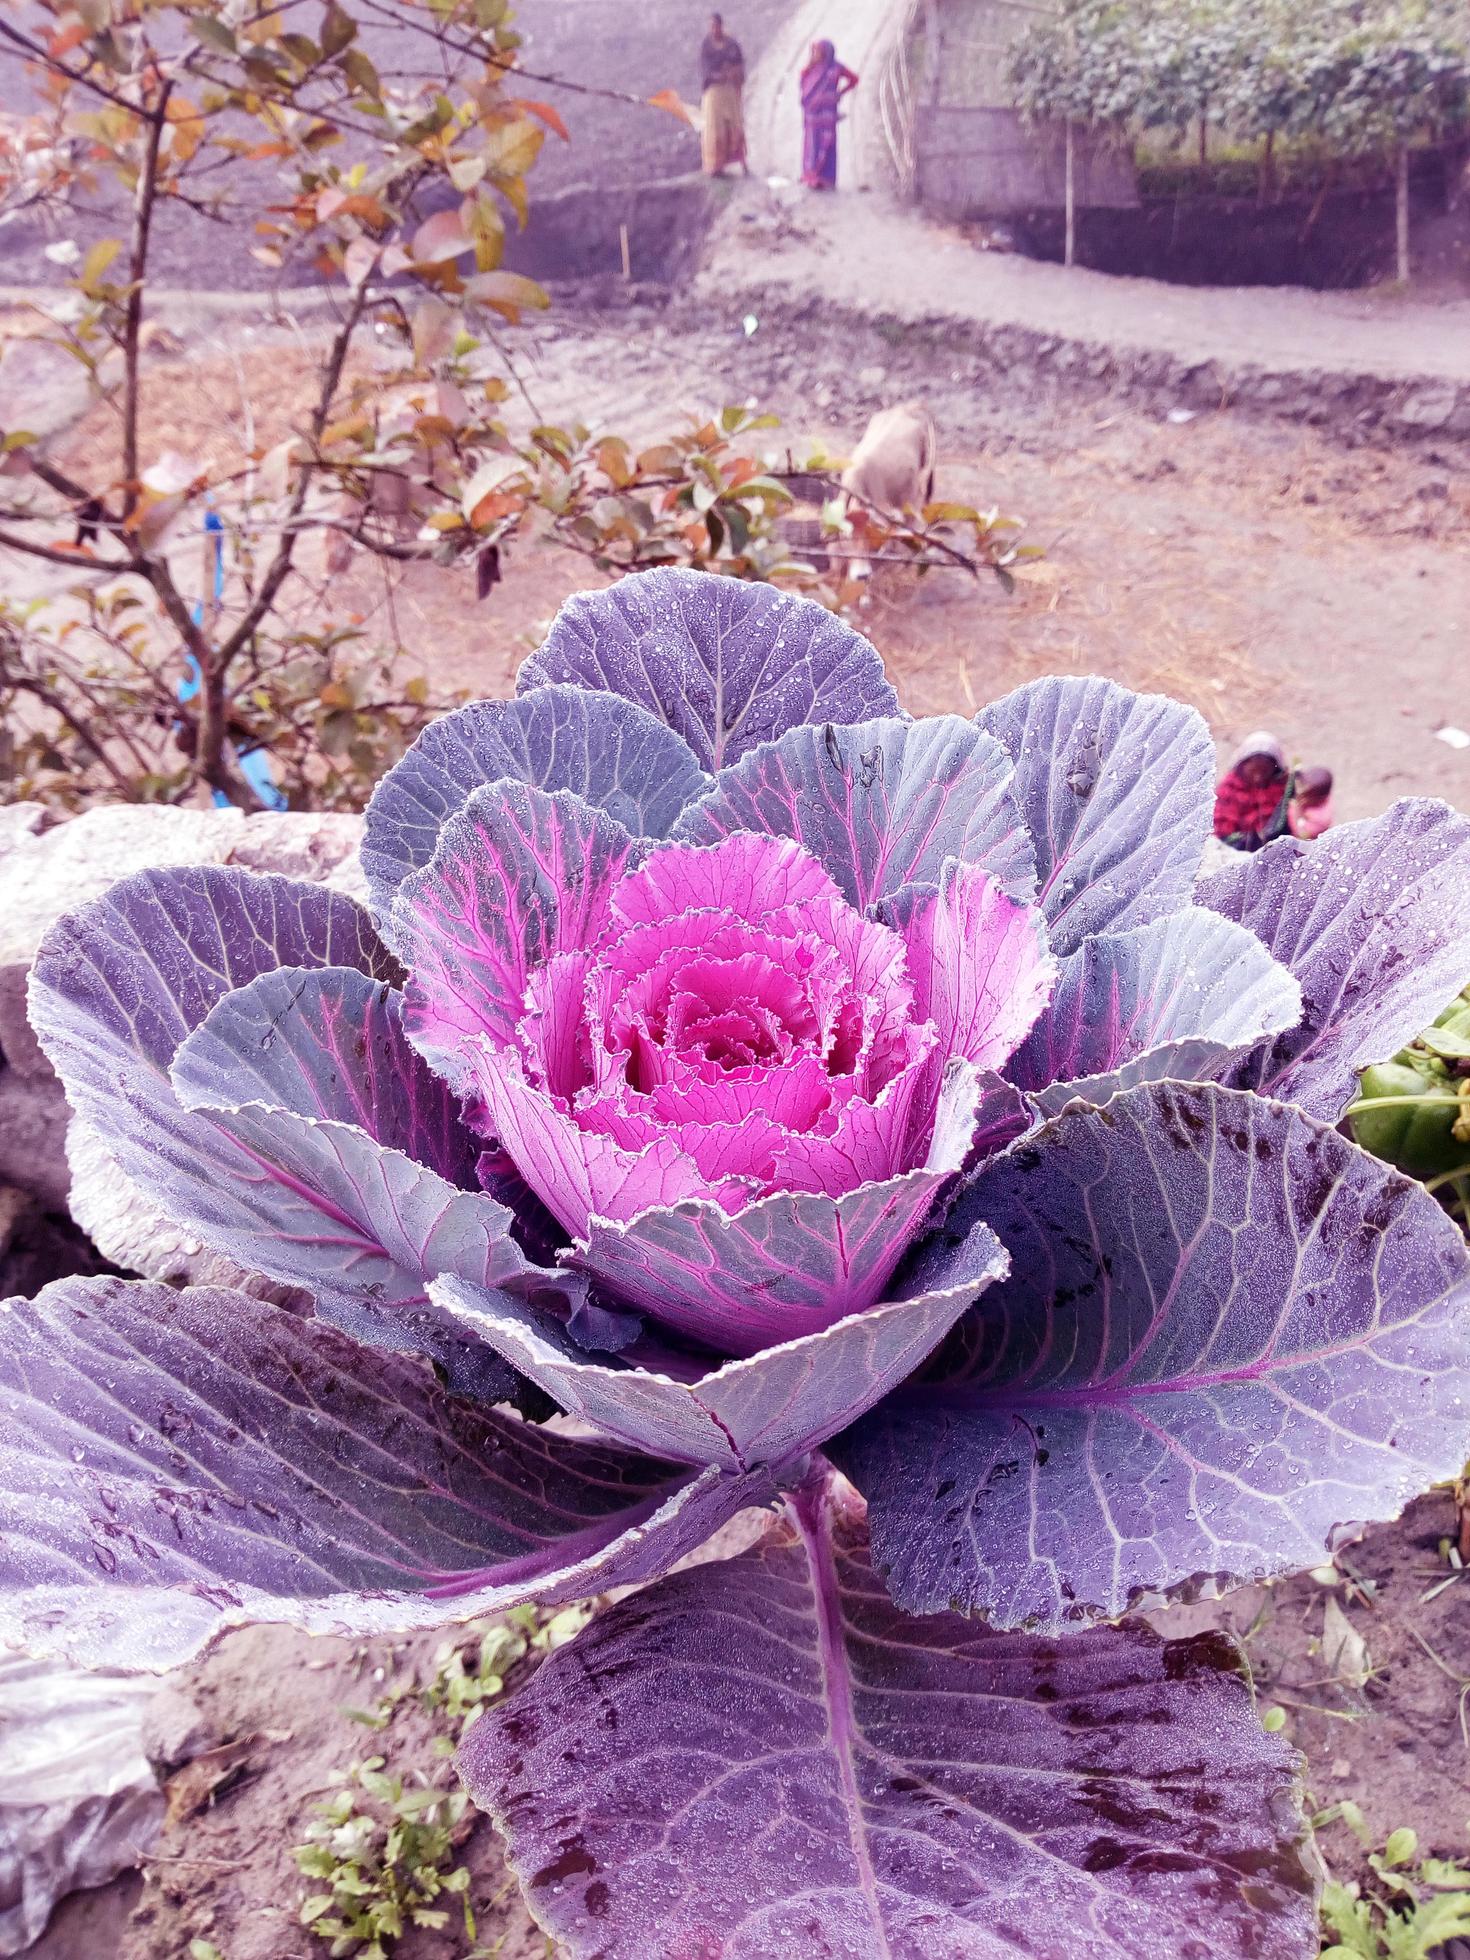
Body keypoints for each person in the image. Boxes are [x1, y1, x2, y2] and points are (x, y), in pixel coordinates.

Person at [1212, 733, 1292, 851]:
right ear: (1243, 766)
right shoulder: (1229, 789)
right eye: (1253, 772)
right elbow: (1221, 831)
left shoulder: (1282, 789)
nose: (1258, 778)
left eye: (1264, 772)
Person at [800, 39, 859, 190]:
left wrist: (840, 93)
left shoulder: (837, 68)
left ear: (826, 52)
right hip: (813, 116)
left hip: (827, 115)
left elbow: (854, 79)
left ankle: (826, 178)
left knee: (828, 144)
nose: (815, 54)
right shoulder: (811, 68)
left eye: (818, 51)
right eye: (814, 51)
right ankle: (812, 176)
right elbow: (803, 85)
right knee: (813, 144)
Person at [700, 13, 747, 178]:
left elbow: (739, 64)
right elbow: (705, 69)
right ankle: (715, 165)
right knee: (714, 127)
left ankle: (740, 161)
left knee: (734, 123)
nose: (713, 30)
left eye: (716, 26)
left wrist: (733, 74)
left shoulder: (731, 45)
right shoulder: (706, 45)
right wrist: (718, 75)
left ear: (721, 25)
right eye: (711, 26)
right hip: (714, 92)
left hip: (729, 90)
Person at [1290, 764, 1336, 840]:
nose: (1299, 793)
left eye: (1306, 794)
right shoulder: (1318, 795)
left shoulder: (1321, 818)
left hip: (1310, 841)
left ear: (1320, 798)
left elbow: (1301, 833)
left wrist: (1298, 809)